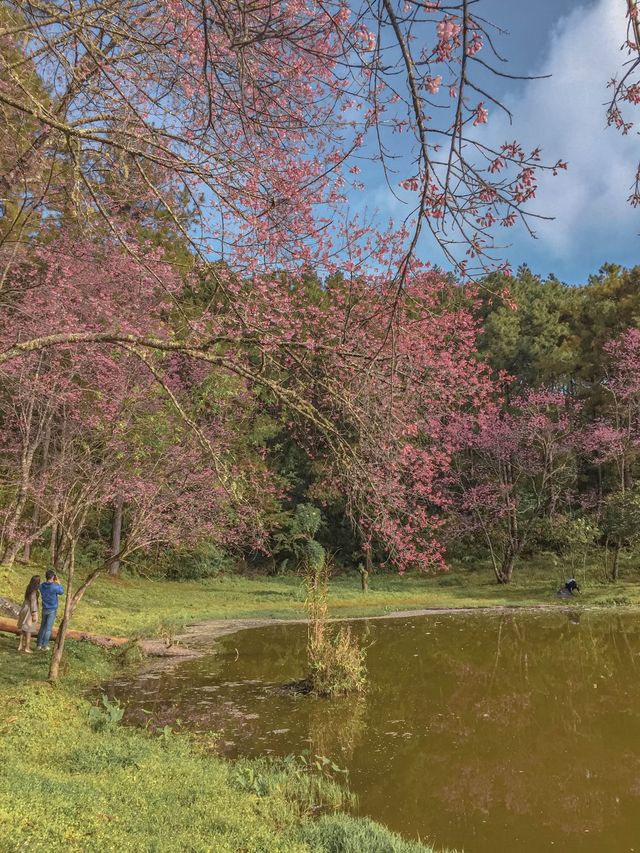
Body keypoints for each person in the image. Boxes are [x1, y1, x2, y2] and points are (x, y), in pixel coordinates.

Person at [36, 570, 64, 651]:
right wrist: (59, 583)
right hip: (52, 609)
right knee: (48, 629)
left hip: (44, 608)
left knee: (42, 627)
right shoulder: (54, 587)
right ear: (53, 577)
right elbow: (61, 592)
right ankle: (44, 645)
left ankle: (39, 645)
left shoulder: (41, 586)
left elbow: (40, 588)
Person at [17, 575, 40, 653]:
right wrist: (34, 614)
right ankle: (27, 647)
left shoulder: (28, 588)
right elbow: (33, 603)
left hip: (24, 608)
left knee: (23, 628)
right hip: (29, 611)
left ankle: (20, 645)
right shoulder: (34, 592)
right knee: (28, 630)